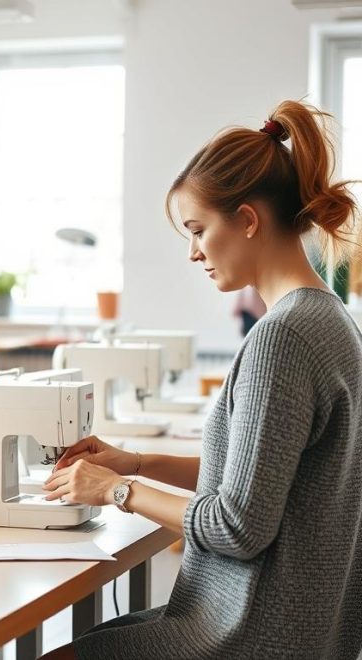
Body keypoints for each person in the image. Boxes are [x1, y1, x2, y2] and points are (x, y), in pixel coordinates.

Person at [41, 100, 362, 659]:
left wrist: (114, 490)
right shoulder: (333, 320)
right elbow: (260, 482)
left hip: (250, 634)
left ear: (247, 219)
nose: (193, 252)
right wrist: (136, 462)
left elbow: (237, 527)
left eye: (197, 230)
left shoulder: (281, 339)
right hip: (309, 631)